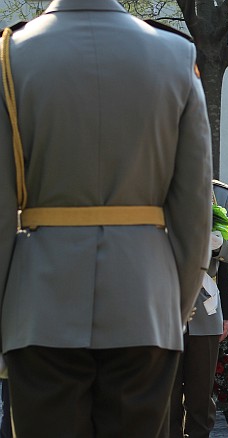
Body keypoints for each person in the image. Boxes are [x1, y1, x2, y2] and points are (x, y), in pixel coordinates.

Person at [0, 1, 213, 437]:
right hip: (145, 299)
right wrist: (173, 306)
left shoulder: (11, 54)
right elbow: (194, 207)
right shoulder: (175, 54)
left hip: (40, 302)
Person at [169, 180, 228, 438]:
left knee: (200, 398)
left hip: (204, 309)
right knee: (167, 397)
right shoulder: (153, 184)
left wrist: (216, 242)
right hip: (165, 308)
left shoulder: (219, 193)